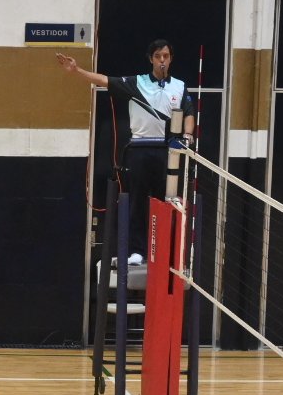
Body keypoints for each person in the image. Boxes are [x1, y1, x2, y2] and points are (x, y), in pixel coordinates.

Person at [56, 40, 195, 261]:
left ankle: (164, 253)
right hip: (139, 149)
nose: (162, 60)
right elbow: (104, 80)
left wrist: (187, 137)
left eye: (166, 56)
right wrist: (77, 70)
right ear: (151, 58)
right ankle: (137, 251)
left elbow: (189, 113)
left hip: (168, 151)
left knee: (167, 202)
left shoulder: (179, 85)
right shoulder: (136, 83)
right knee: (138, 202)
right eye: (158, 56)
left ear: (170, 59)